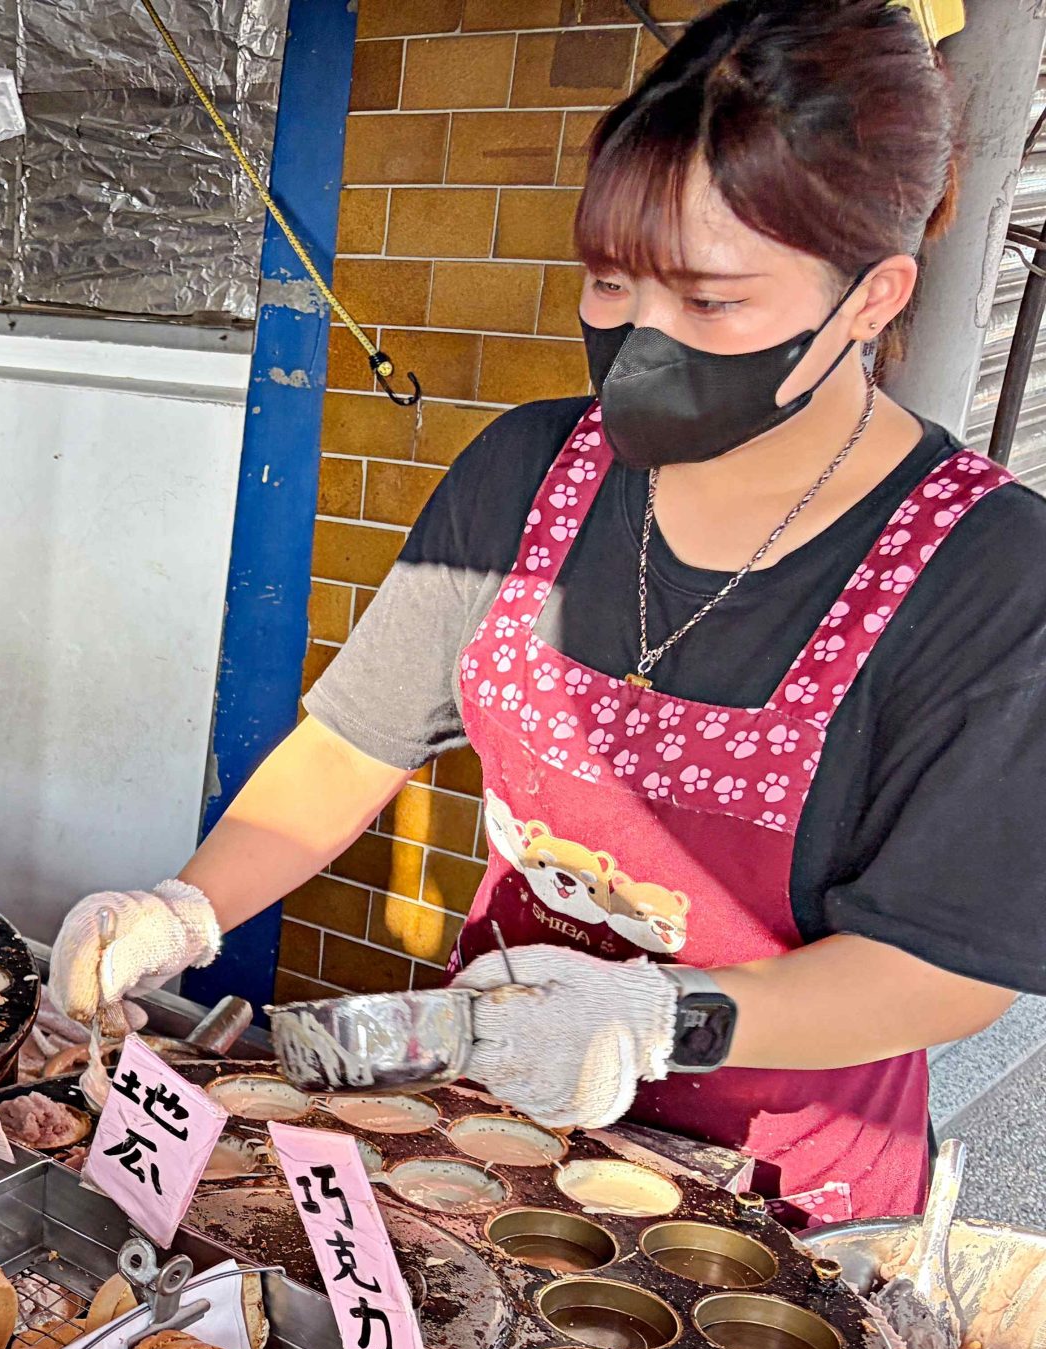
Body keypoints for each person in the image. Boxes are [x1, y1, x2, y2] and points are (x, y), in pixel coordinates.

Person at [54, 0, 1042, 1228]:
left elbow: (939, 966)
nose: (637, 341)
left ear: (870, 297)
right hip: (493, 1126)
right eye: (610, 281)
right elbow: (353, 744)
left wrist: (654, 1019)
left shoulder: (986, 574)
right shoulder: (527, 473)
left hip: (779, 1195)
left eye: (711, 302)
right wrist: (186, 905)